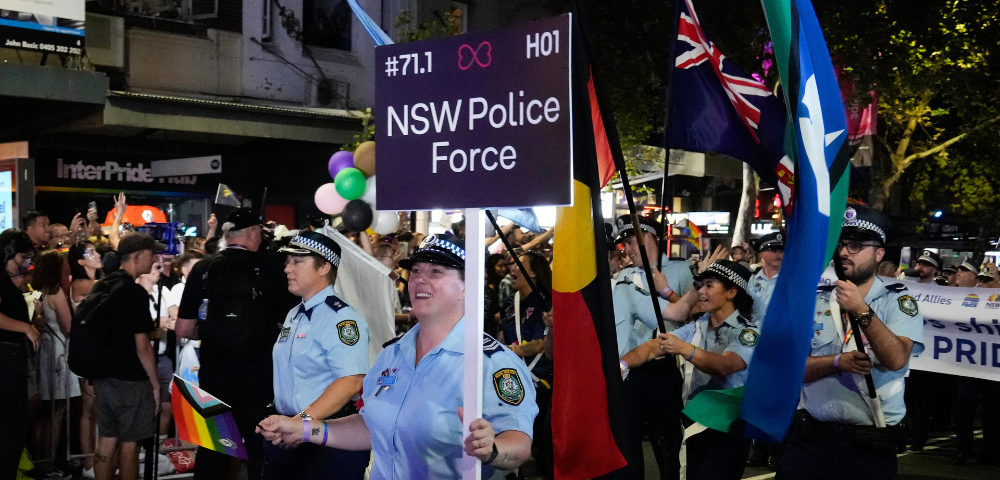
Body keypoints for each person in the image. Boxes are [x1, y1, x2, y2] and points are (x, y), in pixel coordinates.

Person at [257, 234, 538, 479]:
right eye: (415, 270)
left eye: (436, 271)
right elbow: (373, 426)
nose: (419, 280)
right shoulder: (392, 354)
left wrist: (492, 450)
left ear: (467, 286)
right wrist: (304, 429)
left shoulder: (490, 362)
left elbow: (520, 444)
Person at [777, 204, 924, 480]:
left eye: (856, 245)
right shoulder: (815, 300)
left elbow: (895, 359)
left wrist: (861, 310)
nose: (844, 252)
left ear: (879, 253)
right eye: (841, 244)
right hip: (809, 442)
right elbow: (790, 368)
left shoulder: (898, 302)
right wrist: (836, 362)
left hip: (867, 446)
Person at [176, 208, 296, 480]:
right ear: (254, 233)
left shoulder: (202, 268)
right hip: (259, 379)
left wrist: (214, 332)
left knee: (213, 452)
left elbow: (183, 329)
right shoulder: (271, 268)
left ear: (227, 235)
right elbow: (290, 321)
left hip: (214, 378)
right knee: (259, 450)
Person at [623, 260, 758, 480]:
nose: (700, 292)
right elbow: (652, 347)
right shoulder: (698, 326)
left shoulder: (746, 332)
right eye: (700, 285)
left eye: (709, 285)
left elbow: (725, 366)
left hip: (727, 427)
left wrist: (685, 349)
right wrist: (621, 365)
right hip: (695, 421)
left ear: (731, 292)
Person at [264, 231, 371, 479]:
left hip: (329, 437)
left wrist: (302, 422)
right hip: (290, 431)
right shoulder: (294, 314)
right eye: (287, 261)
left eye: (297, 262)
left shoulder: (342, 318)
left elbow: (351, 380)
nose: (287, 268)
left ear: (324, 267)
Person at [611, 214, 693, 480]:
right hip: (631, 371)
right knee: (628, 440)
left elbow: (694, 316)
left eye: (633, 242)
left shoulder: (680, 270)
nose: (628, 250)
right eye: (625, 245)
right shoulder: (624, 276)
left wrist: (666, 290)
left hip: (665, 366)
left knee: (668, 440)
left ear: (649, 239)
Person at [91, 233, 164, 480]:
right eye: (151, 254)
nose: (155, 259)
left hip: (103, 377)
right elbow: (142, 345)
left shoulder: (103, 285)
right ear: (137, 255)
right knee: (131, 443)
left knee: (107, 439)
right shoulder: (133, 292)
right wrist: (155, 385)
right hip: (130, 380)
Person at [498, 251, 553, 477]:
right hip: (511, 382)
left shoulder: (546, 303)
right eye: (511, 265)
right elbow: (501, 337)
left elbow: (541, 344)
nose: (512, 270)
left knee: (539, 444)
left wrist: (510, 350)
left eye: (519, 266)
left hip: (540, 384)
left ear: (532, 272)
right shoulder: (510, 303)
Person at [32, 250, 81, 477]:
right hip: (59, 354)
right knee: (56, 411)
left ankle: (41, 460)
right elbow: (68, 327)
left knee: (44, 412)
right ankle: (50, 463)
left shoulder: (38, 292)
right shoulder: (56, 293)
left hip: (44, 353)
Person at [744, 231, 784, 469]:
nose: (779, 254)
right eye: (773, 250)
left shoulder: (791, 279)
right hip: (753, 349)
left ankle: (776, 451)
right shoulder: (750, 280)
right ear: (762, 254)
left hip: (779, 348)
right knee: (755, 400)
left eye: (781, 250)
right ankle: (758, 449)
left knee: (776, 401)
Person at [0, 230, 37, 478]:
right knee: (11, 428)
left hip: (11, 358)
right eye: (22, 256)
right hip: (6, 359)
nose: (25, 262)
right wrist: (26, 327)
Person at [67, 241, 103, 477]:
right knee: (89, 410)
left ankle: (97, 458)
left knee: (96, 409)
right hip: (87, 351)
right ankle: (89, 460)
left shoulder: (94, 283)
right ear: (80, 262)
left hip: (94, 350)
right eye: (91, 253)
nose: (98, 255)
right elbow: (111, 286)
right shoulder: (83, 284)